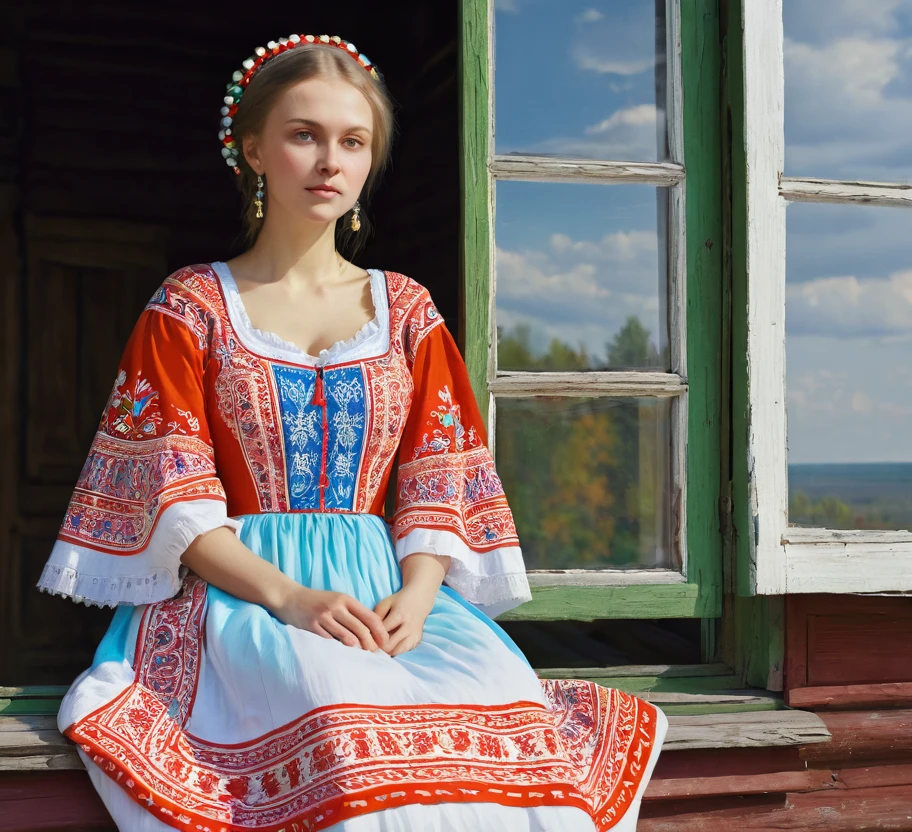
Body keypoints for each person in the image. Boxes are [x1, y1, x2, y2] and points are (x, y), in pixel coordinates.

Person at [37, 33, 667, 832]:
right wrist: (291, 597)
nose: (329, 160)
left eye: (352, 141)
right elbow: (173, 495)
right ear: (253, 150)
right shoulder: (191, 306)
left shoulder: (406, 310)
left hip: (391, 593)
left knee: (496, 722)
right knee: (341, 721)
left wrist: (419, 593)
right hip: (245, 598)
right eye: (304, 135)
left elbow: (441, 472)